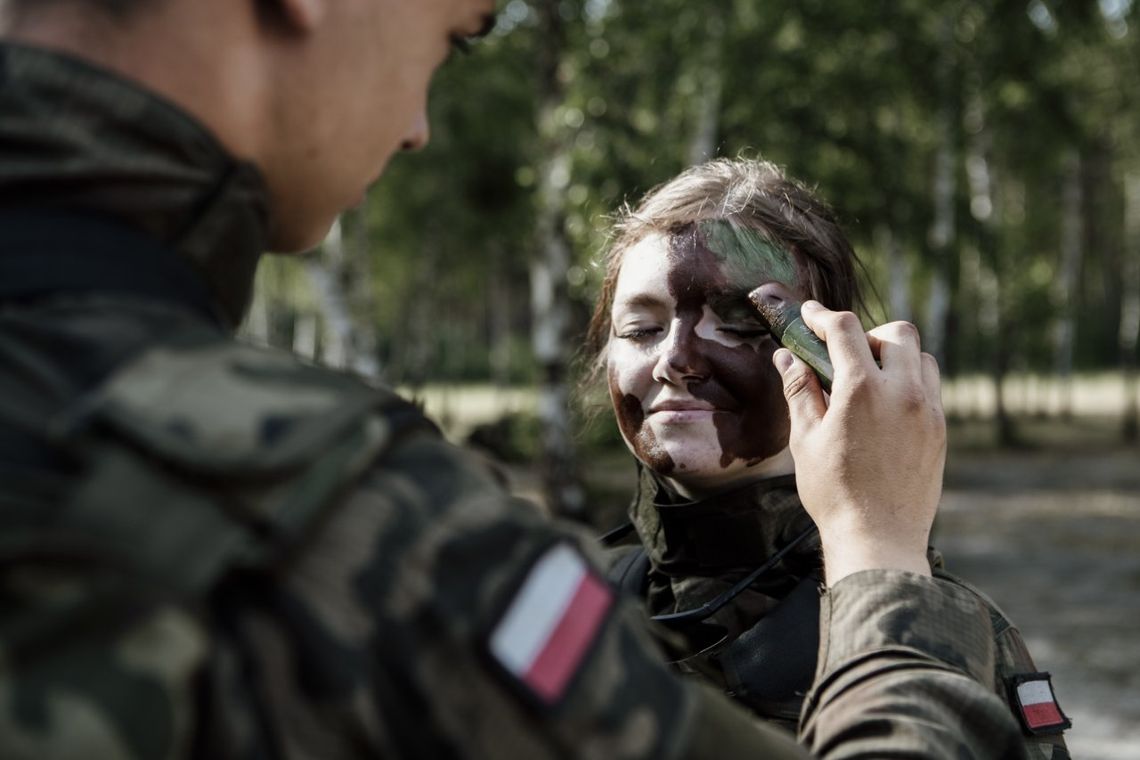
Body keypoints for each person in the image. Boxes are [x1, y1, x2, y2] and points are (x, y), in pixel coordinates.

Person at [0, 0, 1032, 758]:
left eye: (736, 318)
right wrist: (883, 557)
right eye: (451, 36)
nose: (419, 127)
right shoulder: (369, 532)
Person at [586, 157, 1071, 758]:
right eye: (640, 329)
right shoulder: (566, 602)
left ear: (832, 356)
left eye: (740, 323)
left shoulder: (944, 631)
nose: (674, 360)